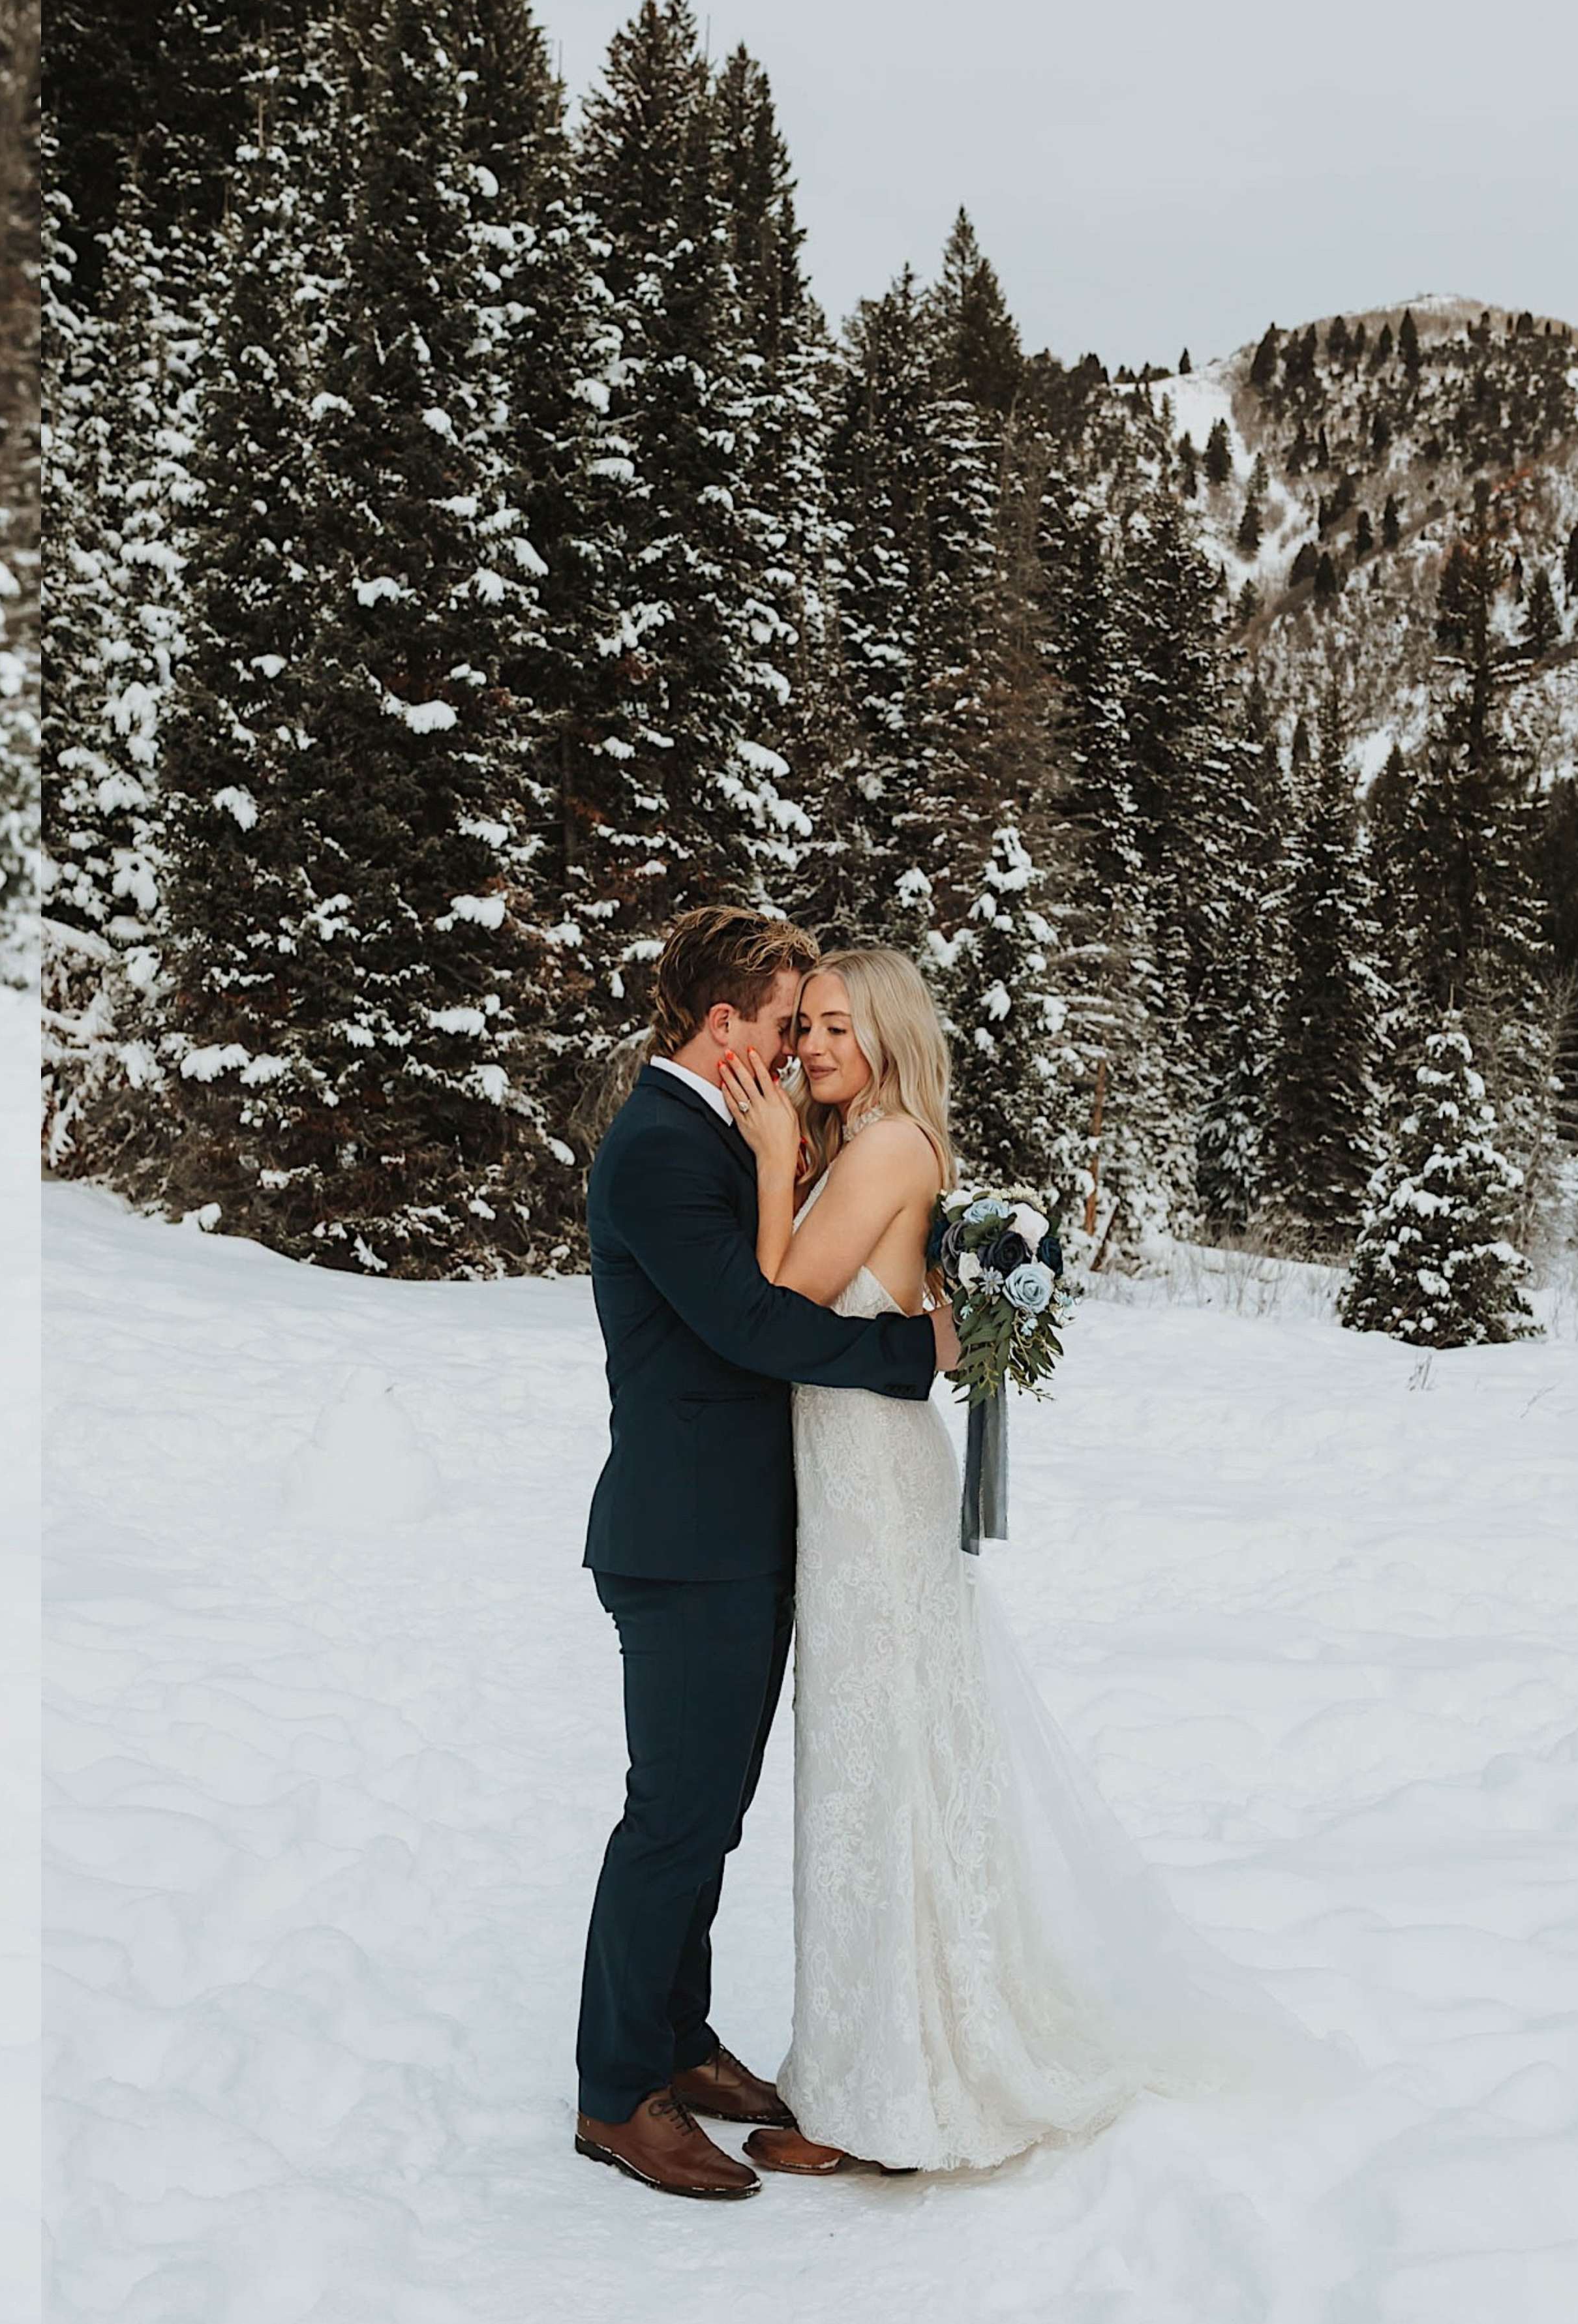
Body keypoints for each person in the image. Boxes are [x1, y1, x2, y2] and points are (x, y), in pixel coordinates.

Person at [714, 948, 1294, 2177]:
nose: (808, 1047)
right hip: (855, 1470)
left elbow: (776, 1300)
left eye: (833, 1027)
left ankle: (891, 2092)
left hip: (870, 1477)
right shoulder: (883, 1140)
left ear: (885, 1036)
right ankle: (871, 2062)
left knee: (881, 1767)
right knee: (879, 1762)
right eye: (803, 1025)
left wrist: (771, 1159)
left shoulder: (882, 1149)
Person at [569, 907, 960, 2201]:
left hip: (753, 1529)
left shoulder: (717, 1130)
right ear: (725, 1023)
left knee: (711, 1814)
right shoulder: (657, 1150)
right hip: (685, 1540)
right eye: (791, 1022)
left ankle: (679, 2041)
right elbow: (751, 1320)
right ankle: (619, 2092)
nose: (800, 1044)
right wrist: (914, 1357)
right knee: (674, 1815)